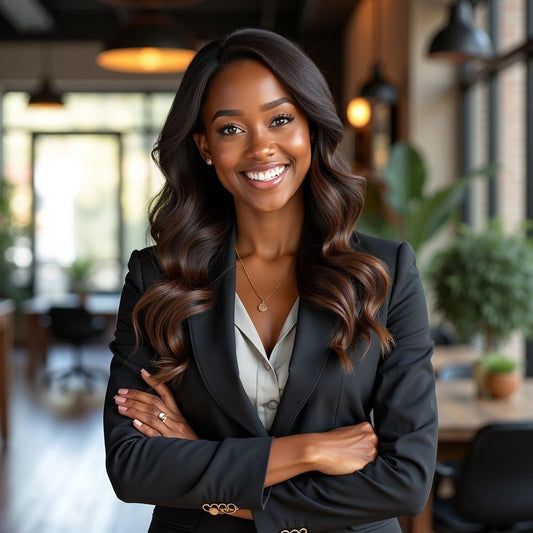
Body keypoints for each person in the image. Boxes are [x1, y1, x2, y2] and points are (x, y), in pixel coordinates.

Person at [104, 28, 437, 533]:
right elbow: (131, 468)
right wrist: (308, 451)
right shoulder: (156, 276)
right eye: (231, 129)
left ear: (309, 129)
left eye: (280, 120)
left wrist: (210, 476)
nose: (262, 148)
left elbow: (405, 481)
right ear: (205, 146)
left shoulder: (385, 273)